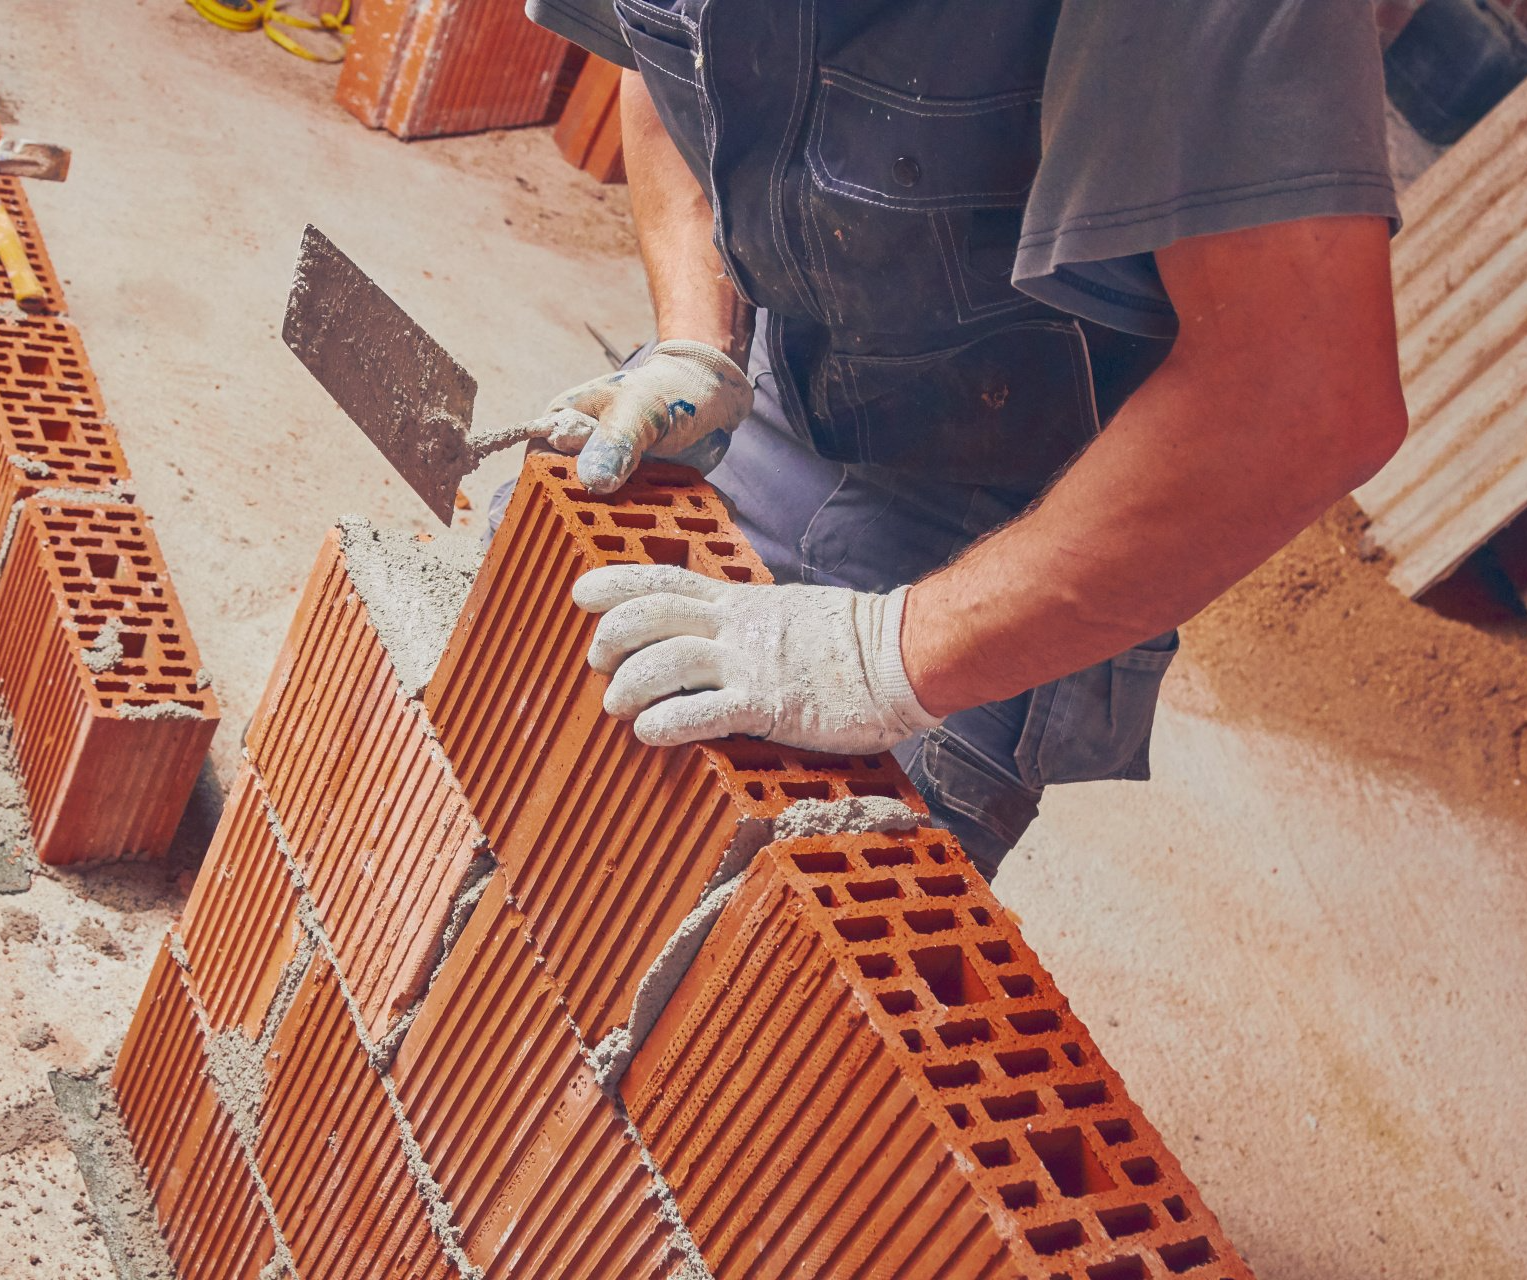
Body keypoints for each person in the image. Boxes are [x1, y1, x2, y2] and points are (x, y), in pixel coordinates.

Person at [505, 0, 1408, 878]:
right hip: (792, 365)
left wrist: (875, 659)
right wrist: (699, 346)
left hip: (1035, 507)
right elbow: (670, 64)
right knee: (528, 746)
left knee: (756, 929)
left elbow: (1299, 397)